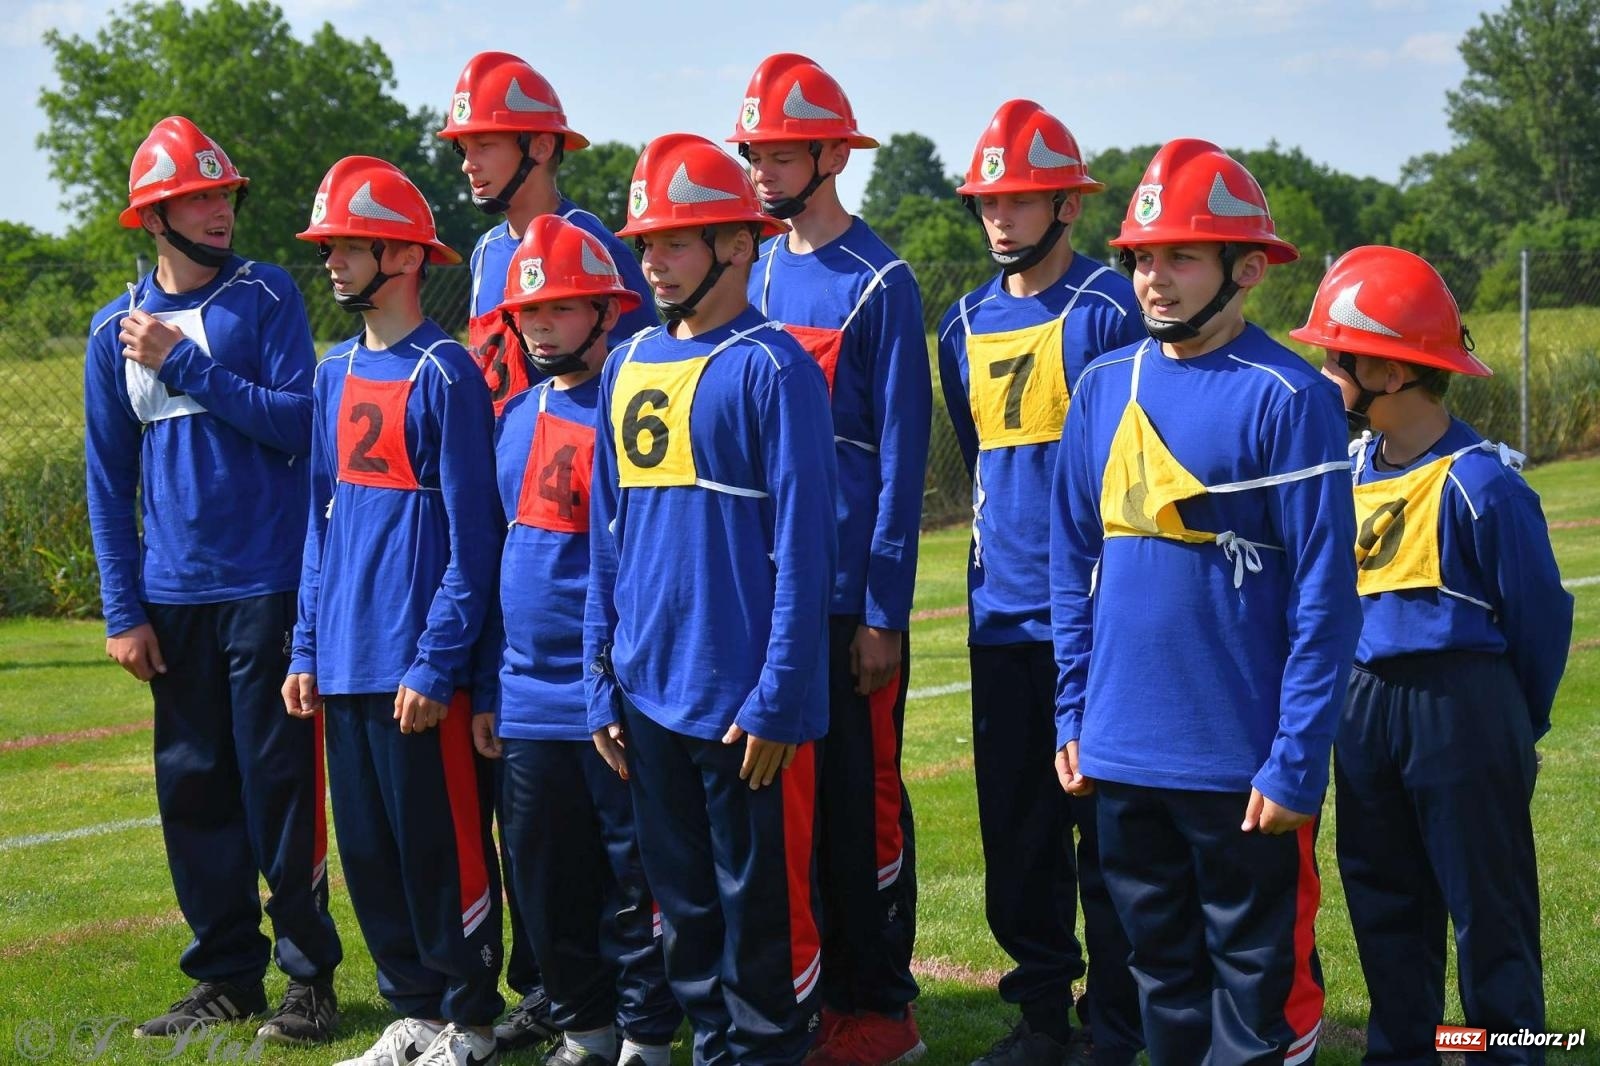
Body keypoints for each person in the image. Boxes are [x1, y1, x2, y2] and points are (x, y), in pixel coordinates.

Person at [1051, 138, 1361, 1066]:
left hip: (1242, 769)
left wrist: (1296, 759)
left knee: (1255, 1001)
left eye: (1180, 255)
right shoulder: (1102, 387)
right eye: (1142, 258)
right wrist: (1074, 709)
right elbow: (1070, 565)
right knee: (1161, 988)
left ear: (1248, 267)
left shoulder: (1291, 394)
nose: (1154, 279)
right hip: (1119, 754)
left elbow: (1325, 599)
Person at [84, 115, 342, 1043]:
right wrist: (125, 608)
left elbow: (301, 424)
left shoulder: (268, 296)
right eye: (196, 196)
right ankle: (226, 976)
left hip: (267, 587)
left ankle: (308, 978)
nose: (219, 209)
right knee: (193, 793)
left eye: (223, 193)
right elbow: (107, 481)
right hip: (173, 600)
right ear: (156, 215)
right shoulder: (111, 329)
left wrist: (185, 363)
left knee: (279, 788)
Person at [584, 133, 837, 1066]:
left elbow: (807, 551)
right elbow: (604, 536)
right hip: (647, 689)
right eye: (645, 243)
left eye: (675, 242)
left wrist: (777, 694)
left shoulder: (775, 368)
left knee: (757, 914)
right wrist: (597, 675)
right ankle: (711, 1048)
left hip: (741, 707)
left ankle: (766, 1049)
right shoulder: (625, 362)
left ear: (738, 245)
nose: (651, 261)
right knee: (683, 909)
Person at [1292, 246, 1573, 1066]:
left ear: (1386, 370)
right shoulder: (1344, 469)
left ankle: (1504, 1051)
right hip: (1364, 706)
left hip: (1462, 709)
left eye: (1335, 355)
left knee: (1487, 909)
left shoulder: (1482, 486)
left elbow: (1539, 623)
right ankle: (1407, 1050)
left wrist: (1507, 725)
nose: (1324, 370)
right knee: (1385, 902)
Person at [727, 52, 930, 1066]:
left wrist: (885, 608)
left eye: (777, 151)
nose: (761, 168)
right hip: (768, 596)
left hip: (850, 601)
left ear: (830, 152)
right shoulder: (748, 267)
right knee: (786, 815)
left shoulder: (881, 281)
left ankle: (878, 1005)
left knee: (863, 806)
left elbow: (902, 457)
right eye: (751, 150)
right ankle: (803, 998)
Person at [934, 100, 1143, 1066]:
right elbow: (982, 455)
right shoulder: (962, 323)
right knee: (1017, 832)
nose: (999, 219)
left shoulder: (1110, 311)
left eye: (1019, 200)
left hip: (1100, 620)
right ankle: (1041, 1017)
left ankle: (1120, 1014)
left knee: (1106, 831)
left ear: (1065, 204)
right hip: (1000, 617)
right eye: (988, 202)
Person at [284, 155, 502, 1066]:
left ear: (403, 256)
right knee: (370, 852)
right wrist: (305, 646)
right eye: (327, 246)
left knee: (438, 848)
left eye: (346, 245)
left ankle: (471, 1018)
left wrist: (436, 659)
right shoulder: (334, 374)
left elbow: (472, 538)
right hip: (343, 659)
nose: (331, 261)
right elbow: (319, 526)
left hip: (416, 670)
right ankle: (411, 1009)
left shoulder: (446, 373)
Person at [476, 215, 682, 1066]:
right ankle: (585, 1030)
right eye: (529, 314)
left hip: (611, 689)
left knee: (632, 880)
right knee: (545, 877)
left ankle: (645, 1036)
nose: (542, 327)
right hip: (525, 698)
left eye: (561, 309)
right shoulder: (514, 414)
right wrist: (491, 684)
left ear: (607, 311)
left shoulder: (636, 405)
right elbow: (494, 556)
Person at [440, 51, 656, 416]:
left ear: (540, 146)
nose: (467, 163)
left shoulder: (594, 245)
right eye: (463, 148)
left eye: (485, 145)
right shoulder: (485, 250)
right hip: (503, 459)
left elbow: (640, 373)